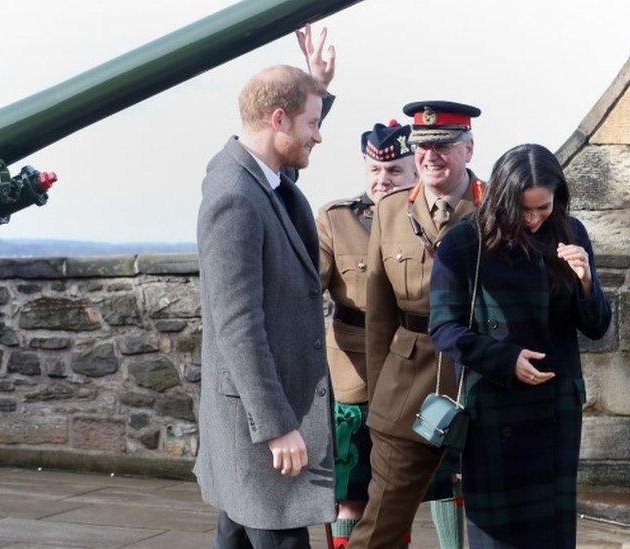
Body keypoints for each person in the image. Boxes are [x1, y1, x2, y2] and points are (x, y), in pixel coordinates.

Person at [195, 24, 337, 549]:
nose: (317, 135)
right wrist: (278, 425)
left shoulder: (260, 176)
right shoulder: (234, 196)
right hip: (259, 430)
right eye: (311, 123)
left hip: (250, 432)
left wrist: (315, 85)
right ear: (278, 120)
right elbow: (237, 326)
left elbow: (291, 160)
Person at [429, 143, 612, 548]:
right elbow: (443, 327)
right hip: (494, 410)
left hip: (554, 412)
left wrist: (585, 281)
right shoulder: (464, 243)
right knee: (498, 538)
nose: (533, 220)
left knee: (552, 537)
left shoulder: (571, 232)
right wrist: (506, 359)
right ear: (501, 198)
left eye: (543, 208)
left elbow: (598, 327)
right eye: (523, 210)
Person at [317, 120, 461, 548]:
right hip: (358, 379)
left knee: (445, 484)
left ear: (414, 171)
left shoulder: (434, 211)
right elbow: (308, 285)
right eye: (374, 171)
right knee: (355, 496)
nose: (382, 181)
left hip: (431, 368)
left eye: (394, 172)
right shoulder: (336, 219)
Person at [348, 101, 485, 548]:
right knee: (380, 525)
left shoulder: (497, 209)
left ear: (468, 147)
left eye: (443, 144)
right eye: (422, 145)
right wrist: (377, 389)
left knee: (492, 525)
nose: (430, 156)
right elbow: (379, 312)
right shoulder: (389, 211)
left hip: (480, 380)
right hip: (407, 386)